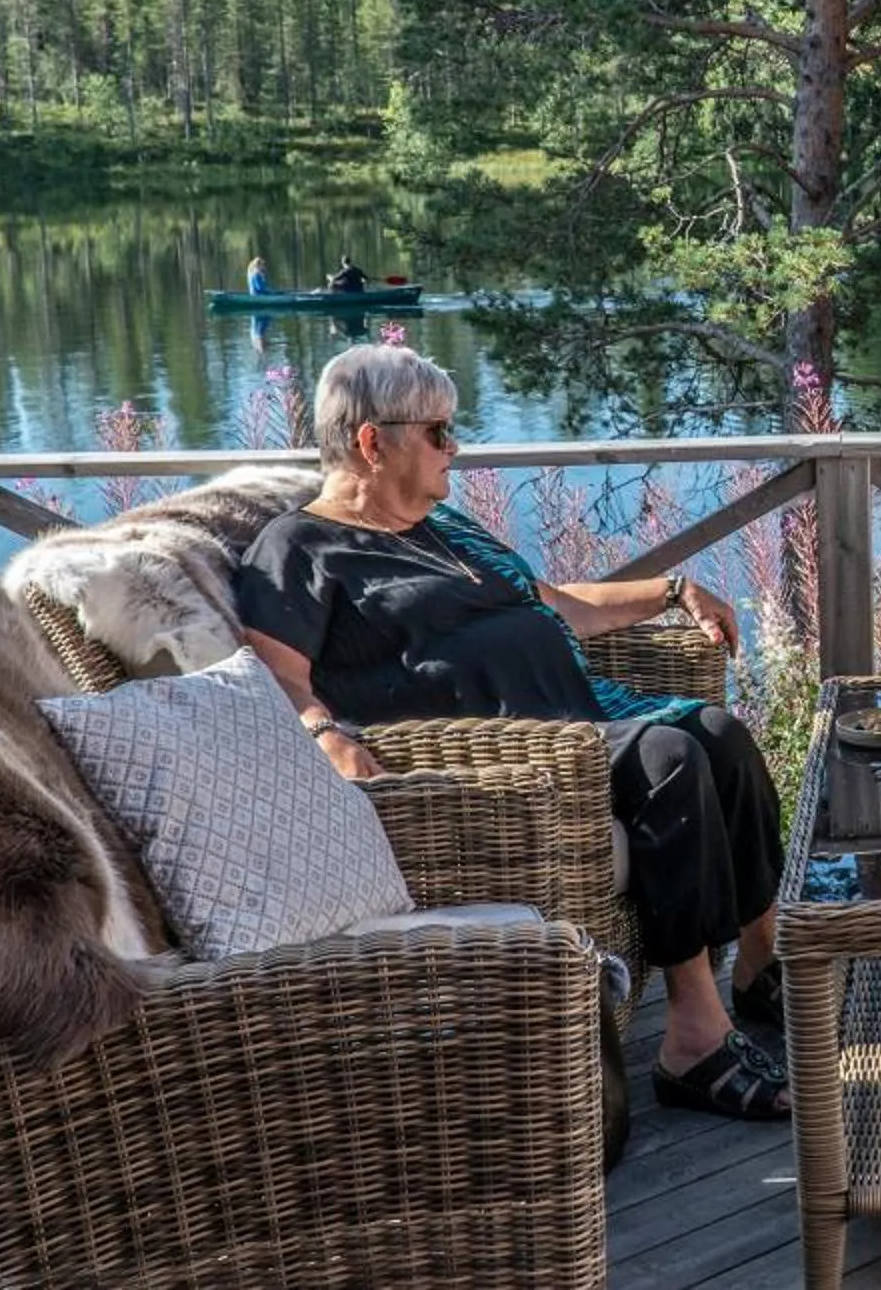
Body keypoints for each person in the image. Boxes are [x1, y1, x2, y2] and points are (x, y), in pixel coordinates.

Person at [233, 345, 792, 1122]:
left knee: (720, 733)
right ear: (371, 441)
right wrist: (327, 733)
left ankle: (758, 966)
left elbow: (559, 608)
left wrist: (674, 590)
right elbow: (277, 676)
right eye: (437, 431)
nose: (454, 447)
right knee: (671, 757)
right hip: (508, 752)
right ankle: (692, 1040)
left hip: (578, 712)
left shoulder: (444, 530)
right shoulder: (298, 550)